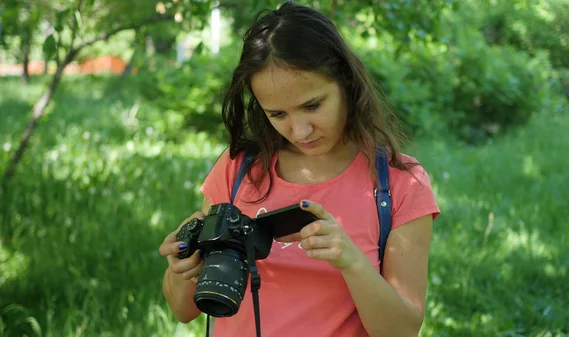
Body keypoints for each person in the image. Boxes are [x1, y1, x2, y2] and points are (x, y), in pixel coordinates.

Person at [158, 1, 441, 336]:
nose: (300, 130)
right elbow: (183, 310)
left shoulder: (400, 183)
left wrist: (351, 262)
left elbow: (401, 331)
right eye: (278, 114)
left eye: (312, 105)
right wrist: (183, 267)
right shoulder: (239, 170)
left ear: (345, 82)